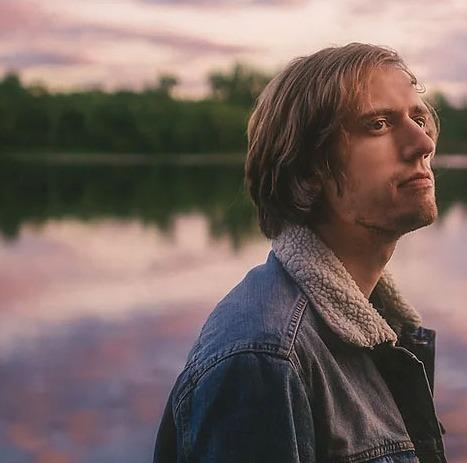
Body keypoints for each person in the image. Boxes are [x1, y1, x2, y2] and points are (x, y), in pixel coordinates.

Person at [154, 43, 446, 463]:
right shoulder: (264, 359)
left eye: (419, 118)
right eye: (379, 124)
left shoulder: (376, 326)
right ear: (309, 167)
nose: (422, 143)